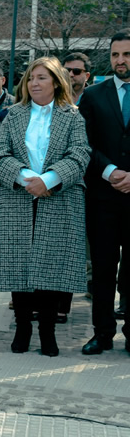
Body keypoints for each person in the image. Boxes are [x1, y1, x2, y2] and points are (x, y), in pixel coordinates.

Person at [0, 56, 90, 358]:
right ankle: (23, 328)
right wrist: (24, 178)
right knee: (18, 267)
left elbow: (80, 154)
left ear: (56, 81)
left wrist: (48, 179)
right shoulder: (14, 114)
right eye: (31, 77)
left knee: (51, 268)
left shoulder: (72, 116)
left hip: (58, 198)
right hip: (17, 198)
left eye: (42, 77)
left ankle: (47, 331)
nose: (34, 83)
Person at [79, 30, 130, 354]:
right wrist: (111, 171)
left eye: (126, 54)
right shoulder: (94, 95)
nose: (121, 61)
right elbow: (84, 144)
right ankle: (102, 333)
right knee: (102, 269)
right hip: (103, 198)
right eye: (115, 55)